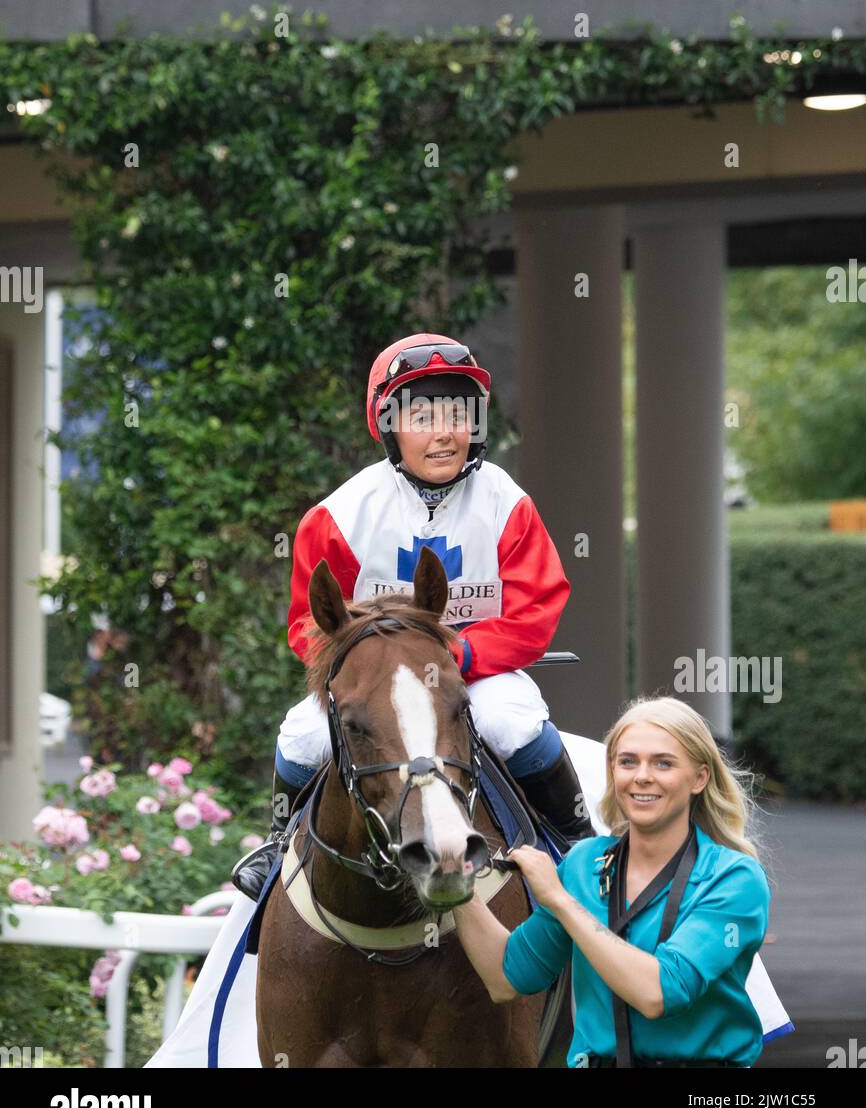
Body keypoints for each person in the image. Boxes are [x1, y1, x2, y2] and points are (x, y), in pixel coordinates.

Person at [231, 332, 593, 900]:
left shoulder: (507, 502)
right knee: (301, 736)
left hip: (477, 673)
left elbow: (535, 611)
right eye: (422, 416)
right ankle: (277, 849)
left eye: (458, 413)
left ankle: (575, 841)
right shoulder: (337, 516)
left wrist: (459, 655)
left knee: (513, 723)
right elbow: (307, 624)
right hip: (374, 682)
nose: (444, 431)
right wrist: (375, 667)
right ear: (389, 427)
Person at [453, 695, 774, 1068]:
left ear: (700, 778)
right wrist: (454, 886)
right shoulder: (583, 863)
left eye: (663, 763)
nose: (642, 776)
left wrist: (560, 901)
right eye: (627, 762)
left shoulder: (734, 878)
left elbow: (660, 992)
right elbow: (507, 977)